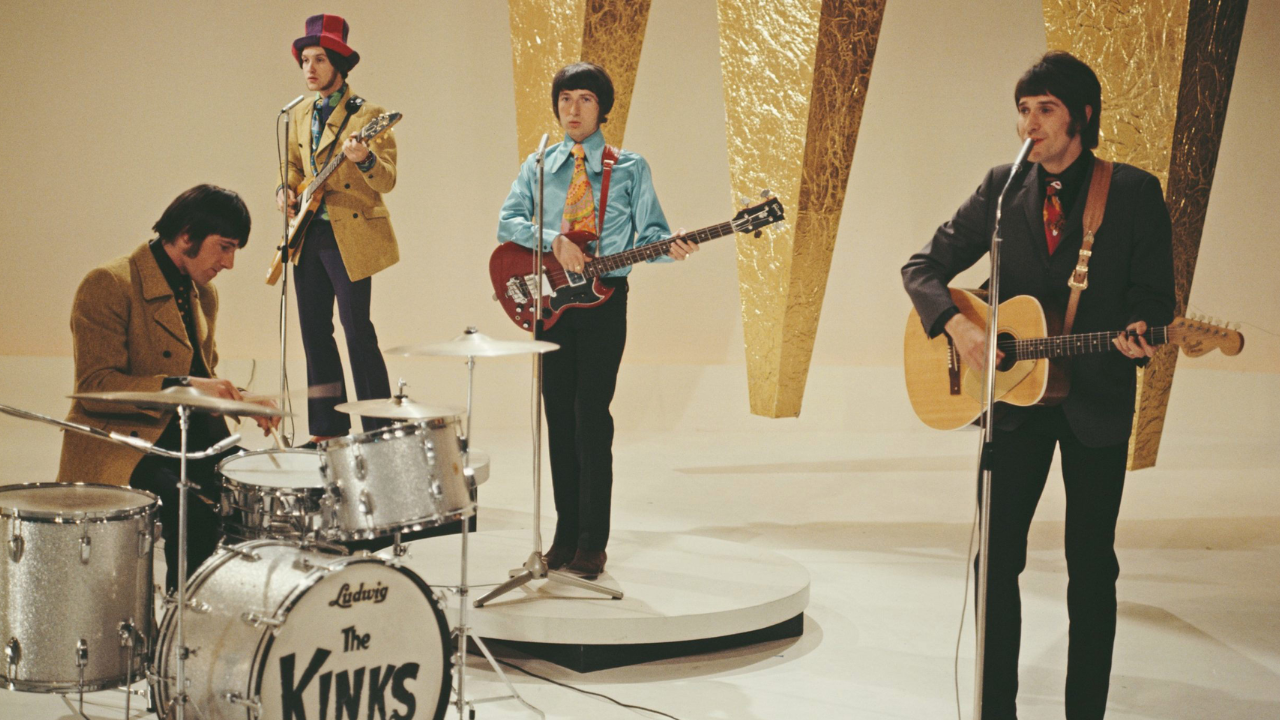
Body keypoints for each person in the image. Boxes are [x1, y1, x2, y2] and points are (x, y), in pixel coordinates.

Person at [902, 51, 1176, 719]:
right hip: (1015, 407)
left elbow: (1154, 296)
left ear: (1082, 114)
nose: (1030, 122)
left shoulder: (1132, 191)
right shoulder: (1003, 189)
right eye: (1023, 109)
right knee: (995, 564)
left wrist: (1141, 331)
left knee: (1091, 569)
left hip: (1095, 401)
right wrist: (959, 328)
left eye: (1045, 109)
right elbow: (922, 267)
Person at [496, 62, 698, 578]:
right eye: (565, 98)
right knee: (558, 419)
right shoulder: (539, 164)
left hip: (606, 304)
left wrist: (669, 247)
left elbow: (651, 234)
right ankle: (563, 536)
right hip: (551, 305)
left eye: (585, 99)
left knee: (591, 417)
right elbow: (508, 222)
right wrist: (553, 241)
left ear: (602, 108)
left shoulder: (628, 167)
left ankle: (592, 542)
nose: (573, 109)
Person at [57, 184, 274, 592]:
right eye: (224, 247)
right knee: (192, 509)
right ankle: (183, 616)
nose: (229, 263)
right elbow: (94, 386)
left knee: (262, 489)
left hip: (185, 439)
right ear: (188, 235)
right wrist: (185, 386)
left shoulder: (203, 294)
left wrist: (244, 400)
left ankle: (232, 607)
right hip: (121, 444)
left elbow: (200, 375)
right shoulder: (108, 283)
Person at [277, 13, 398, 446]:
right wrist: (284, 190)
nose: (309, 68)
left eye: (319, 59)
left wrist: (365, 158)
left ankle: (379, 430)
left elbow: (387, 179)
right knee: (314, 333)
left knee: (356, 329)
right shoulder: (298, 113)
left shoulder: (369, 114)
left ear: (339, 64)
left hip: (350, 234)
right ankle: (326, 430)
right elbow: (293, 167)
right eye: (305, 60)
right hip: (308, 231)